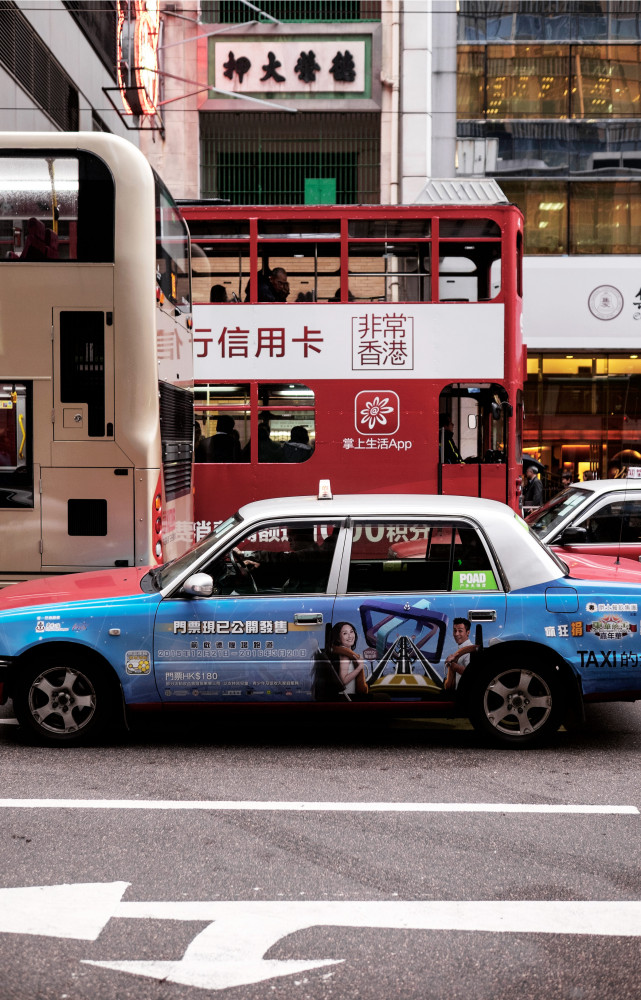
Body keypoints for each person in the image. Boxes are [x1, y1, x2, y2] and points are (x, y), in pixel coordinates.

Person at [330, 622, 368, 695]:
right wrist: (359, 667)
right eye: (345, 633)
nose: (350, 636)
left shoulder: (343, 652)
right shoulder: (345, 655)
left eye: (351, 631)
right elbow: (343, 681)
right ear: (338, 638)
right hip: (348, 698)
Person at [443, 618, 476, 691]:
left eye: (460, 631)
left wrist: (453, 665)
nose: (456, 634)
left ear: (468, 632)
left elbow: (472, 674)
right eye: (455, 630)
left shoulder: (469, 651)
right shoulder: (461, 650)